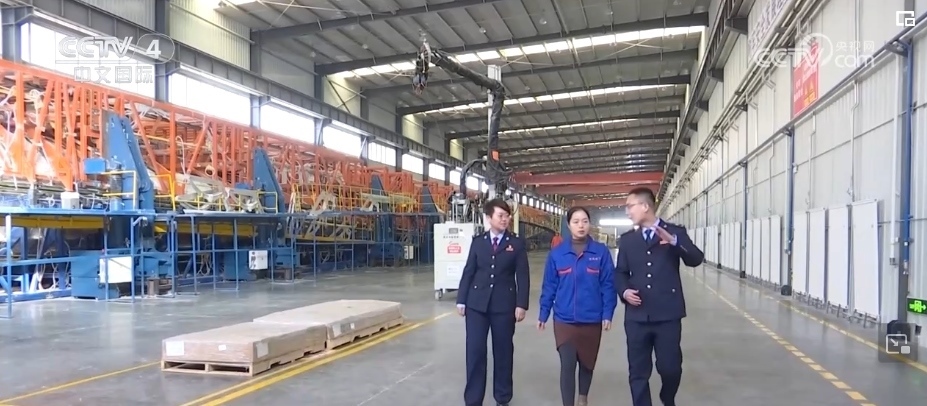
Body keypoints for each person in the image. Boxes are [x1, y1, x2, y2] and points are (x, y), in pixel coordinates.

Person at [616, 187, 704, 406]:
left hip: (667, 314)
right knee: (638, 371)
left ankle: (667, 397)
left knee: (670, 367)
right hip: (637, 316)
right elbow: (620, 273)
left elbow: (695, 259)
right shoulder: (627, 240)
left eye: (630, 206)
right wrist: (624, 291)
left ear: (645, 206)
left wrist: (674, 242)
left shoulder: (675, 232)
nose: (627, 212)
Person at [537, 207, 617, 406]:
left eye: (584, 221)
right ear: (569, 225)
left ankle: (583, 398)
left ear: (589, 224)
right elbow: (549, 286)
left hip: (592, 319)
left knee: (587, 363)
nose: (581, 225)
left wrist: (607, 313)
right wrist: (543, 313)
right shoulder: (557, 254)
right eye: (576, 222)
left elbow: (608, 285)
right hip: (564, 319)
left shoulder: (600, 252)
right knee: (568, 364)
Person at [456, 198, 530, 406]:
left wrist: (521, 304)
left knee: (503, 352)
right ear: (489, 218)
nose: (505, 219)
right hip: (476, 305)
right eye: (500, 215)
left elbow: (523, 275)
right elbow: (469, 271)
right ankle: (473, 400)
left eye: (507, 216)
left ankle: (502, 398)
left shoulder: (516, 244)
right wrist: (461, 300)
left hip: (504, 306)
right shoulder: (478, 242)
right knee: (475, 352)